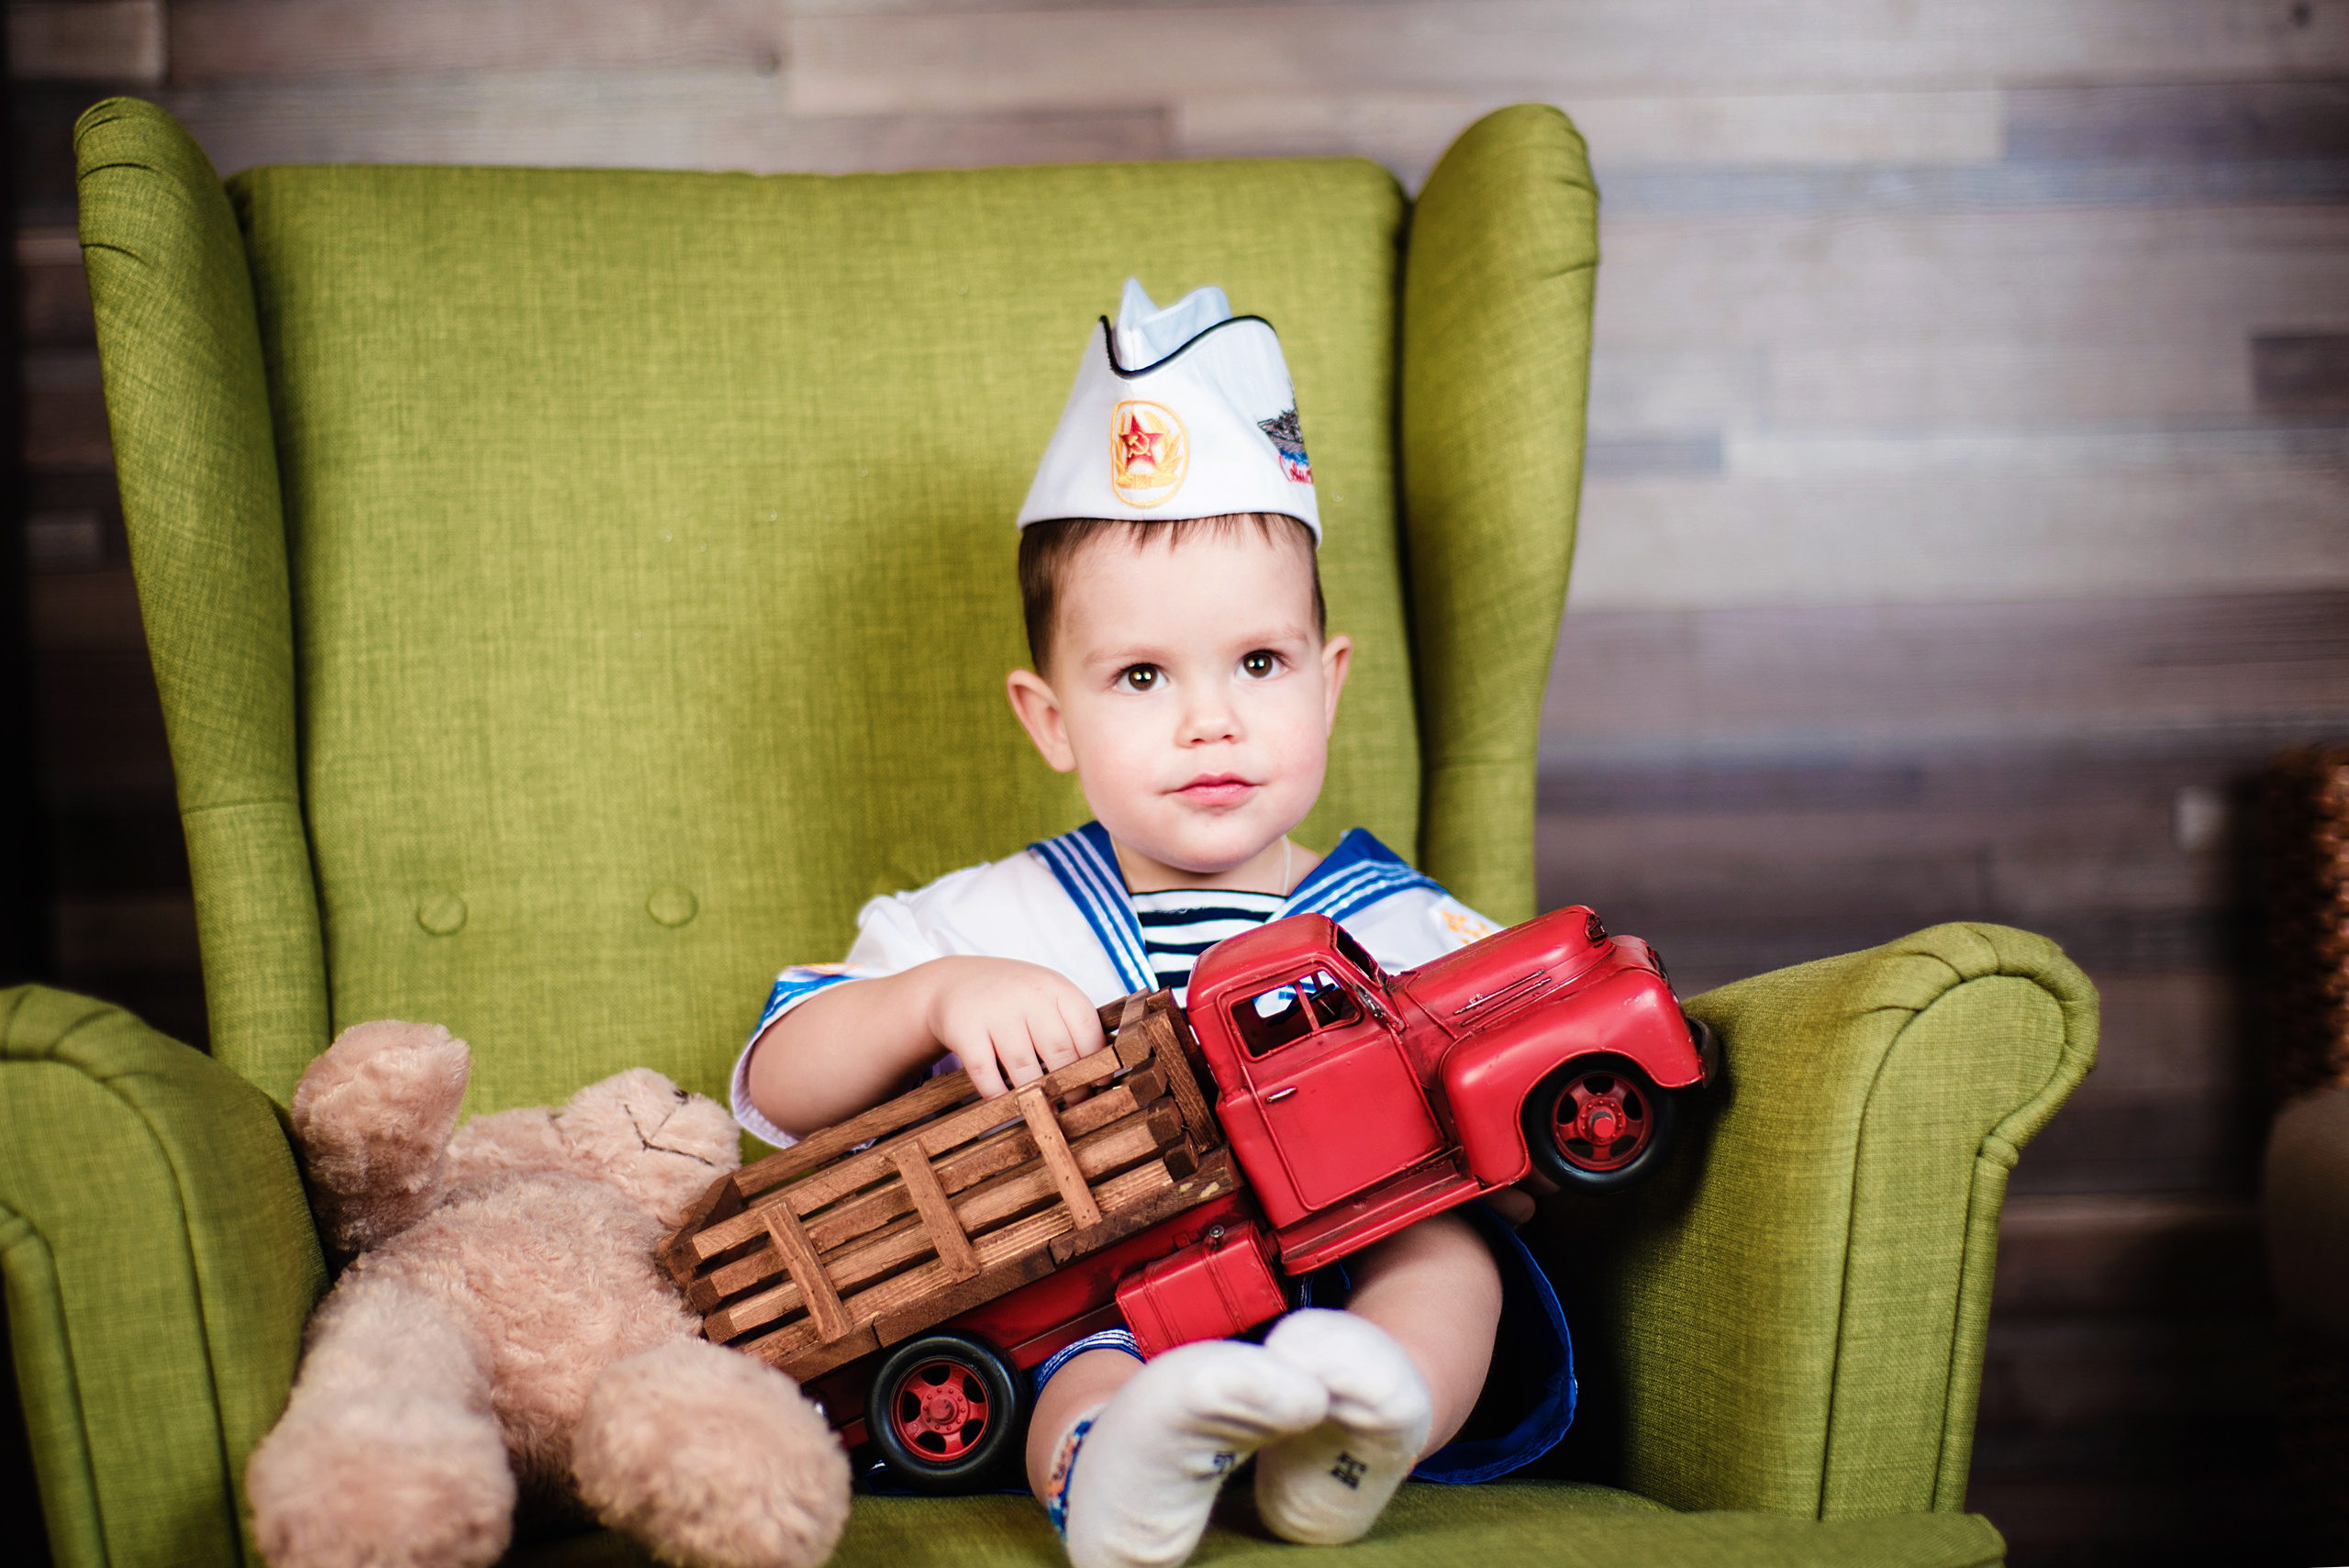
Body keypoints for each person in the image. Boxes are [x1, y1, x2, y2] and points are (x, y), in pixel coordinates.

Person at [733, 281, 1571, 1568]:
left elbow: (1520, 1085)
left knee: (1447, 1258)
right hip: (1113, 1296)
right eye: (1140, 676)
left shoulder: (1397, 920)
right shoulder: (993, 916)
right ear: (1050, 717)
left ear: (1328, 681)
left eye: (1258, 663)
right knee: (1071, 1356)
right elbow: (777, 1083)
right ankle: (1111, 1476)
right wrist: (933, 998)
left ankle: (1355, 1434)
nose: (1210, 720)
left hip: (1335, 1282)